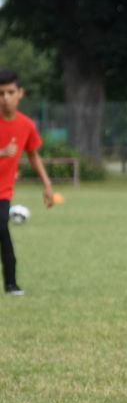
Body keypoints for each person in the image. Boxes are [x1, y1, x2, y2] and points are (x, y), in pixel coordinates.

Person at [0, 69, 55, 297]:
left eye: (10, 92)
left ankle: (11, 284)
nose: (5, 98)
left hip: (3, 191)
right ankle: (11, 284)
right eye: (1, 93)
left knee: (2, 227)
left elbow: (33, 155)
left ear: (20, 93)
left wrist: (47, 185)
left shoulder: (26, 125)